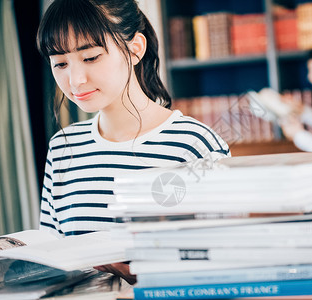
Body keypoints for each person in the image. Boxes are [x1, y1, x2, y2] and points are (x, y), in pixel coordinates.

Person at [36, 0, 230, 283]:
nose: (75, 80)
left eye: (91, 57)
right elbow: (52, 257)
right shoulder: (63, 147)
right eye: (60, 63)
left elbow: (230, 264)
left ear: (135, 48)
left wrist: (144, 279)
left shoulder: (195, 144)